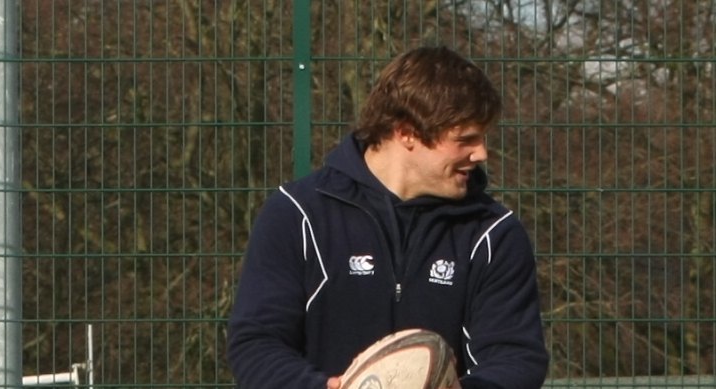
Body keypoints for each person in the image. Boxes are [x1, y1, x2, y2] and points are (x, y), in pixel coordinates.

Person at [227, 46, 549, 389]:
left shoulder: (494, 234)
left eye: (482, 138)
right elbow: (256, 343)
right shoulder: (297, 214)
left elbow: (516, 358)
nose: (481, 153)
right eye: (464, 140)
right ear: (407, 132)